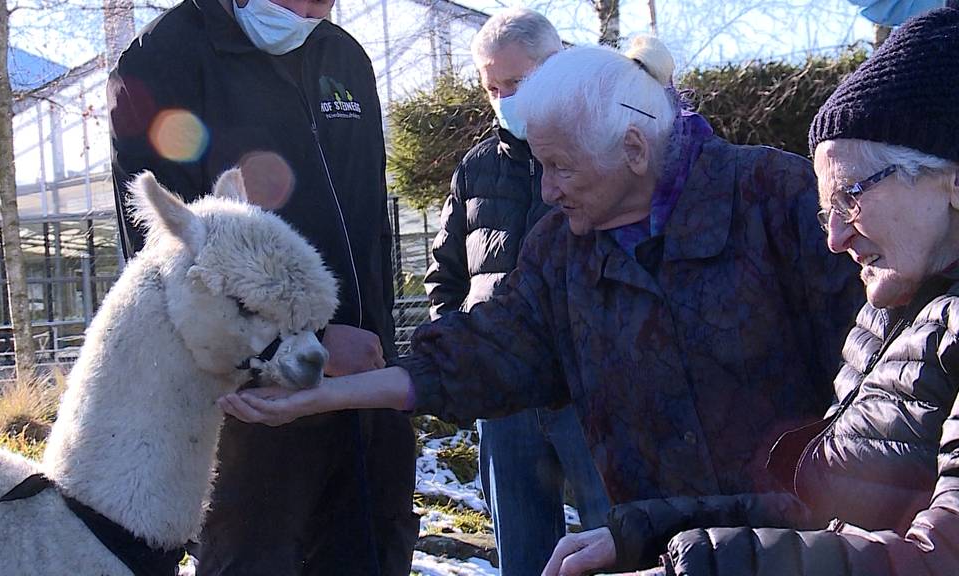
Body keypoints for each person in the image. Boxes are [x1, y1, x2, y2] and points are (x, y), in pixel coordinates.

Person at [218, 38, 865, 572]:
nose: (547, 190)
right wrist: (319, 395)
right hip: (662, 555)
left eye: (560, 167)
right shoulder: (563, 248)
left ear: (634, 151)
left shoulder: (779, 203)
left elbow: (874, 417)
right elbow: (489, 351)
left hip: (815, 552)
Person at [545, 7, 959, 575]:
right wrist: (649, 533)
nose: (834, 239)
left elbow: (939, 561)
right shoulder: (895, 312)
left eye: (852, 198)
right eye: (825, 213)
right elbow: (826, 503)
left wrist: (699, 567)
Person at [107, 0, 418, 574]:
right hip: (254, 410)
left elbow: (374, 227)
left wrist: (376, 352)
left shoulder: (343, 56)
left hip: (365, 390)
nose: (314, 8)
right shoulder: (165, 59)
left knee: (371, 547)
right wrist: (315, 340)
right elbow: (176, 264)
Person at [424, 9, 611, 574]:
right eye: (492, 88)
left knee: (619, 540)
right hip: (503, 397)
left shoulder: (603, 151)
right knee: (523, 555)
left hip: (591, 393)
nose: (504, 98)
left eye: (518, 83)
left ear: (557, 67)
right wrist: (461, 358)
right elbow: (446, 275)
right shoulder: (475, 167)